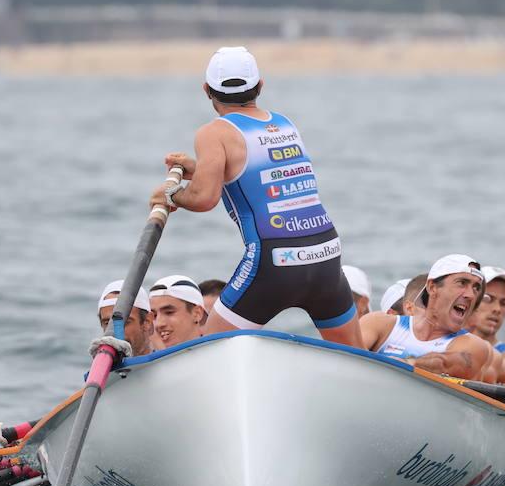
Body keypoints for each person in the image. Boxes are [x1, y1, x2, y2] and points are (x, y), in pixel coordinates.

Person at [151, 46, 364, 348]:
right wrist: (198, 170)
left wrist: (171, 193)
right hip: (325, 253)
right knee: (357, 355)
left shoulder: (214, 132)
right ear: (260, 85)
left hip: (273, 261)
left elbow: (203, 199)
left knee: (209, 350)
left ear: (206, 91)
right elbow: (253, 177)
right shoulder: (284, 124)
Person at [359, 255, 492, 377]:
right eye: (462, 283)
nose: (471, 295)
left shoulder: (474, 346)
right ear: (432, 287)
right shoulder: (379, 323)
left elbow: (445, 364)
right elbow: (348, 358)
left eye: (476, 288)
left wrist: (407, 364)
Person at [97, 279, 160, 357]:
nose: (115, 333)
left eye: (125, 322)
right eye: (107, 323)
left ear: (147, 322)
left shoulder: (170, 366)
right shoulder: (98, 369)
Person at [149, 274, 207, 347]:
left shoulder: (221, 355)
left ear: (197, 313)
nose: (159, 324)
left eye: (169, 312)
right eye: (155, 316)